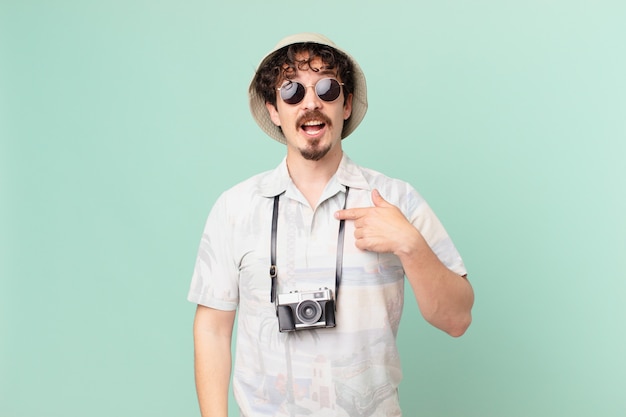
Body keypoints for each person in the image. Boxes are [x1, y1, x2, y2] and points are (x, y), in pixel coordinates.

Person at [188, 33, 474, 417]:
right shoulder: (235, 207)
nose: (311, 103)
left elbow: (457, 319)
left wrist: (410, 243)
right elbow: (212, 329)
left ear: (346, 104)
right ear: (274, 109)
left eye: (327, 87)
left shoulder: (396, 199)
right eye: (291, 91)